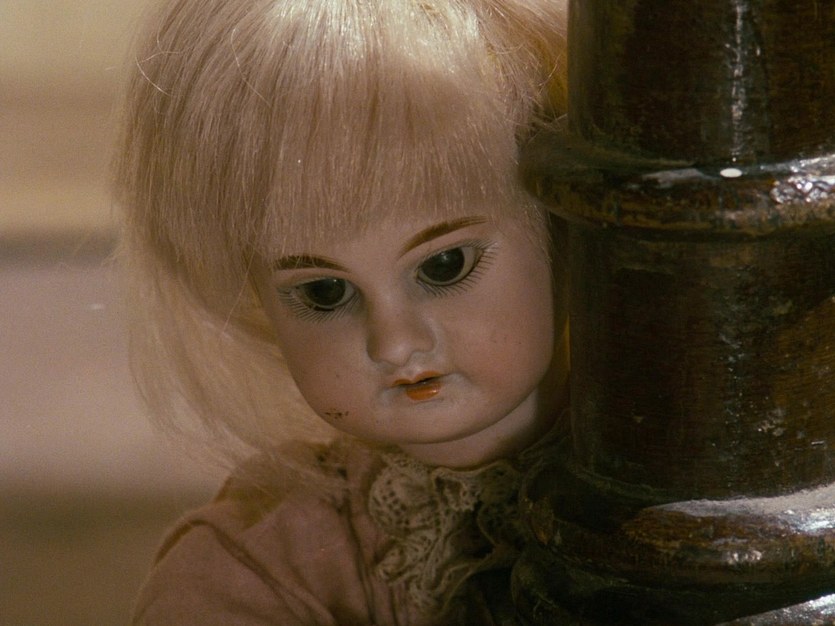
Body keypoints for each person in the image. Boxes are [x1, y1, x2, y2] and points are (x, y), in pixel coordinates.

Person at [116, 0, 569, 623]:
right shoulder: (257, 565)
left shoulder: (688, 465)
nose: (395, 343)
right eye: (325, 292)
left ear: (565, 225)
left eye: (444, 266)